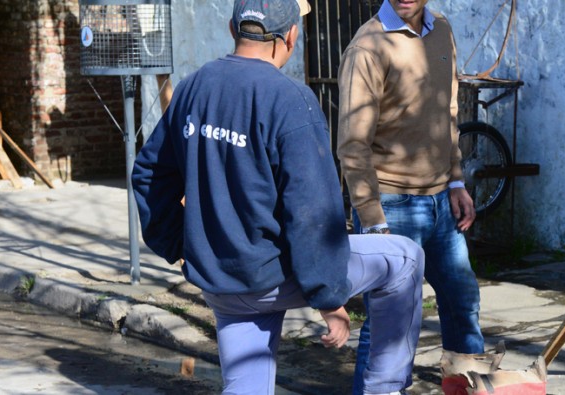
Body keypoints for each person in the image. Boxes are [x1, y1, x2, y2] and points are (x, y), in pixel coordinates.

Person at [131, 1, 424, 393]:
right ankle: (383, 390)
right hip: (274, 276)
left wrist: (181, 246)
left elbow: (148, 175)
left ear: (233, 29)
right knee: (405, 259)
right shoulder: (290, 100)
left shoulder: (193, 87)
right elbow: (313, 213)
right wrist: (329, 299)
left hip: (222, 282)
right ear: (290, 36)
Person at [336, 0, 485, 392]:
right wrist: (372, 220)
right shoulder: (367, 47)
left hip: (441, 202)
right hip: (391, 206)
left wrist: (455, 182)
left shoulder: (442, 30)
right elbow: (353, 145)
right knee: (390, 327)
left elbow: (447, 112)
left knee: (463, 305)